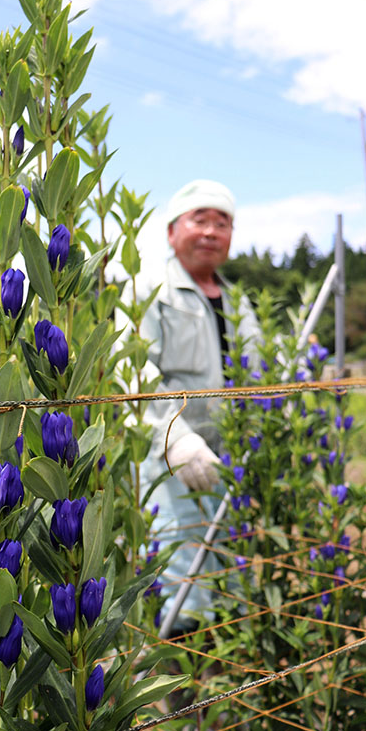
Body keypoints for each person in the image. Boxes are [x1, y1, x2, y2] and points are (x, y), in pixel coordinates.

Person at [136, 179, 260, 627]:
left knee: (226, 578)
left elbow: (257, 378)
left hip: (229, 459)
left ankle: (219, 684)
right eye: (200, 220)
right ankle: (180, 687)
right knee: (180, 584)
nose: (211, 232)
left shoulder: (239, 302)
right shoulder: (150, 289)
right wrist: (176, 439)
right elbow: (133, 372)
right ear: (172, 232)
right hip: (171, 460)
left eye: (221, 223)